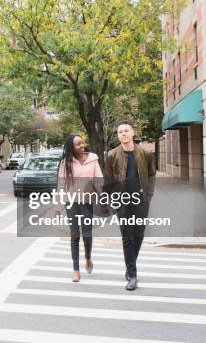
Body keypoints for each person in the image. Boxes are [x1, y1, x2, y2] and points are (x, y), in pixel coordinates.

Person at [104, 121, 156, 291]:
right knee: (127, 237)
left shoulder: (146, 153)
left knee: (139, 235)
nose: (123, 134)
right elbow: (109, 179)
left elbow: (151, 174)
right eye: (120, 132)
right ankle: (132, 275)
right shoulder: (112, 155)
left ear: (133, 133)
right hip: (122, 201)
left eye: (126, 131)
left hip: (141, 200)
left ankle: (130, 266)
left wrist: (148, 196)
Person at [57, 135, 103, 282]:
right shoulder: (66, 163)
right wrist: (59, 205)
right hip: (72, 204)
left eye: (82, 142)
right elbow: (62, 185)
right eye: (78, 144)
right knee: (75, 236)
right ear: (71, 147)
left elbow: (98, 180)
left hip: (87, 203)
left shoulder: (93, 159)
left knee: (87, 235)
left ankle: (88, 257)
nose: (82, 145)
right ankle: (76, 270)